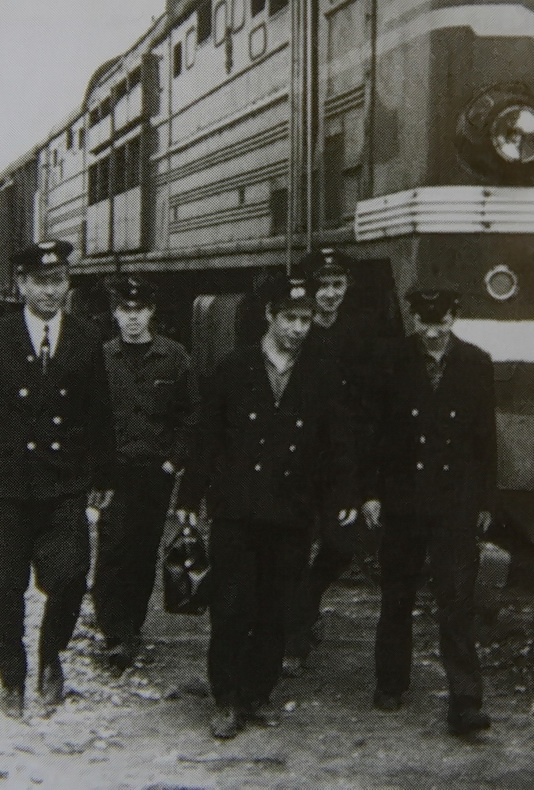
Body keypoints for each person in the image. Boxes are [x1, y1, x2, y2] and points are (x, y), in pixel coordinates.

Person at [175, 270, 359, 740]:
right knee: (232, 606)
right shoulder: (232, 370)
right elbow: (205, 439)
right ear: (269, 316)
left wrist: (343, 498)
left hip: (293, 514)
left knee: (277, 609)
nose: (300, 328)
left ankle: (257, 695)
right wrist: (189, 498)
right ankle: (226, 698)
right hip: (238, 511)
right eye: (291, 318)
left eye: (307, 319)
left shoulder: (321, 376)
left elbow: (338, 444)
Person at [0, 240, 116, 719]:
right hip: (6, 489)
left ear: (68, 284)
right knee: (4, 587)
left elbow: (100, 413)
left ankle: (50, 657)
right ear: (21, 284)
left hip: (64, 486)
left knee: (69, 579)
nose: (50, 290)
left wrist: (104, 475)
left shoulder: (86, 337)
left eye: (58, 280)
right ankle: (12, 680)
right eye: (40, 281)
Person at [364, 281, 497, 736]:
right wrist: (372, 492)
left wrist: (485, 501)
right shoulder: (391, 361)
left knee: (457, 602)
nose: (433, 332)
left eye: (440, 322)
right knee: (396, 595)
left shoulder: (477, 364)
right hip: (403, 500)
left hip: (455, 504)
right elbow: (376, 432)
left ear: (453, 318)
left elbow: (485, 439)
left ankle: (465, 700)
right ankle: (390, 682)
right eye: (424, 322)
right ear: (413, 319)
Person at [92, 274, 198, 672]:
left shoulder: (174, 358)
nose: (133, 318)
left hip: (155, 473)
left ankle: (131, 627)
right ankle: (113, 631)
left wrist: (173, 461)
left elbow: (191, 418)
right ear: (115, 313)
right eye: (125, 310)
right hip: (114, 472)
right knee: (112, 548)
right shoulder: (101, 358)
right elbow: (87, 418)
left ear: (151, 312)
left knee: (142, 549)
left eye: (140, 310)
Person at [282, 247, 380, 676]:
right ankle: (294, 640)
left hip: (344, 461)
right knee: (294, 546)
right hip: (301, 461)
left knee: (342, 546)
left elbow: (374, 407)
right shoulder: (297, 335)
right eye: (322, 286)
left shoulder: (361, 335)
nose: (330, 295)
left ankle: (306, 602)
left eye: (337, 285)